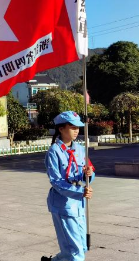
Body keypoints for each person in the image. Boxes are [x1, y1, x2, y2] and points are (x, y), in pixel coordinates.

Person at [42, 111, 95, 261]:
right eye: (72, 127)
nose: (77, 131)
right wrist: (80, 191)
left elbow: (87, 171)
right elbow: (56, 181)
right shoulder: (54, 151)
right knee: (75, 251)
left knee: (80, 246)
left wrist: (88, 174)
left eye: (78, 127)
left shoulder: (79, 149)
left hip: (78, 203)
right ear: (61, 129)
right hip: (63, 203)